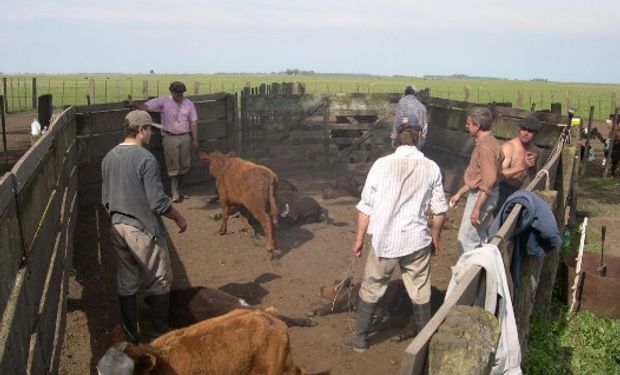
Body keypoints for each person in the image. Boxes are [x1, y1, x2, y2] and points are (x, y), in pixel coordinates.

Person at [343, 117, 448, 352]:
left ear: (396, 139)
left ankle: (361, 338)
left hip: (385, 240)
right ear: (418, 138)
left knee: (372, 285)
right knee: (420, 289)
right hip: (416, 239)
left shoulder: (381, 165)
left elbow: (365, 206)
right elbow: (440, 211)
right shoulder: (431, 167)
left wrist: (359, 240)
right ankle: (423, 342)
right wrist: (435, 237)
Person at [102, 110, 188, 344]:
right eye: (150, 129)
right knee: (159, 278)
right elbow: (158, 202)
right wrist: (179, 217)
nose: (152, 133)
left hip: (118, 227)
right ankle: (159, 333)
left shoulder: (109, 157)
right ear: (141, 130)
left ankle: (131, 335)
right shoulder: (145, 159)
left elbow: (106, 199)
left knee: (127, 281)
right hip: (142, 229)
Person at [126, 81, 198, 202]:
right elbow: (146, 107)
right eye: (177, 93)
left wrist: (195, 139)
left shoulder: (189, 104)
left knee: (184, 164)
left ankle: (179, 190)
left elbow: (193, 122)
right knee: (172, 165)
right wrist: (134, 105)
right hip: (170, 137)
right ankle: (174, 192)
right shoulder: (163, 101)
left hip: (185, 136)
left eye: (181, 93)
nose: (180, 95)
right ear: (172, 92)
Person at [449, 106, 503, 255]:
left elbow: (489, 181)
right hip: (483, 194)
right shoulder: (488, 143)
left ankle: (469, 274)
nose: (467, 126)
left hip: (482, 196)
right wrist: (460, 193)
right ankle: (480, 273)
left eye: (468, 123)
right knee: (479, 237)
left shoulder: (486, 147)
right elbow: (479, 177)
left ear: (477, 125)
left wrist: (477, 208)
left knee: (466, 240)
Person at [497, 117, 542, 207]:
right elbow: (500, 174)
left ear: (536, 134)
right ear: (519, 130)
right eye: (523, 129)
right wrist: (523, 166)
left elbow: (533, 175)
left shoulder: (535, 151)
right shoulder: (509, 147)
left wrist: (532, 166)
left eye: (529, 131)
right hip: (500, 189)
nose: (525, 133)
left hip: (517, 190)